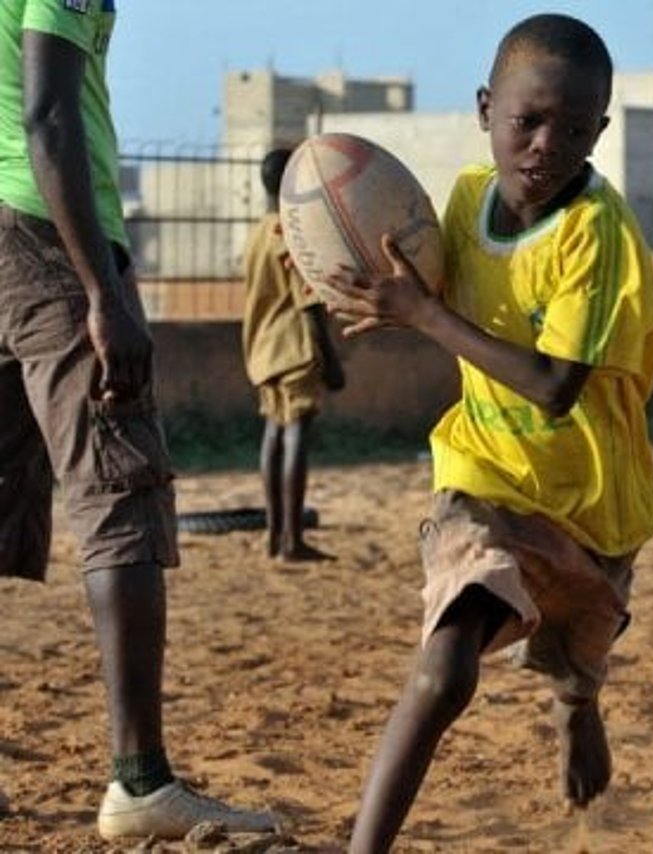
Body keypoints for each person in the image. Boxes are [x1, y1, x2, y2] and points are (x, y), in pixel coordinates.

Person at [321, 14, 653, 850]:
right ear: (485, 108)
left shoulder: (597, 232)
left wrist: (427, 316)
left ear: (601, 130)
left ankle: (578, 705)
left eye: (576, 128)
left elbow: (553, 387)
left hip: (591, 498)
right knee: (443, 671)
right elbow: (428, 299)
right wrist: (386, 301)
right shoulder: (463, 199)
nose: (548, 144)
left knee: (575, 653)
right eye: (528, 121)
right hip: (483, 476)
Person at [0, 2, 276, 841]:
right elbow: (49, 115)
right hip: (42, 232)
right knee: (120, 491)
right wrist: (103, 293)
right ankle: (141, 781)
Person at [242, 148, 345, 562]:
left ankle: (273, 534)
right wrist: (332, 361)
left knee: (273, 433)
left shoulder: (257, 233)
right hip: (296, 348)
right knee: (297, 434)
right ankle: (292, 540)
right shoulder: (293, 234)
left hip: (262, 348)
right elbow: (310, 305)